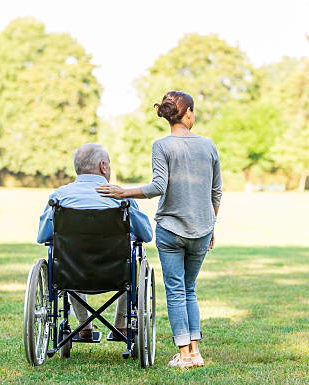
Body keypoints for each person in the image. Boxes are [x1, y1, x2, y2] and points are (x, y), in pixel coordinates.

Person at [97, 91, 222, 369]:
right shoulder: (209, 146)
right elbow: (216, 193)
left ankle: (184, 355)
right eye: (194, 111)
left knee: (176, 290)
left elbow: (158, 187)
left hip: (171, 229)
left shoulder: (161, 146)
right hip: (202, 229)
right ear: (187, 112)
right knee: (189, 289)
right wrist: (212, 225)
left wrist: (123, 192)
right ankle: (195, 351)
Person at [37, 143, 153, 341]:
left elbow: (42, 237)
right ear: (103, 166)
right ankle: (122, 326)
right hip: (116, 274)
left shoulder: (59, 197)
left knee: (68, 258)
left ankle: (84, 328)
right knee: (133, 261)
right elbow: (147, 235)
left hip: (71, 273)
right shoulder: (120, 198)